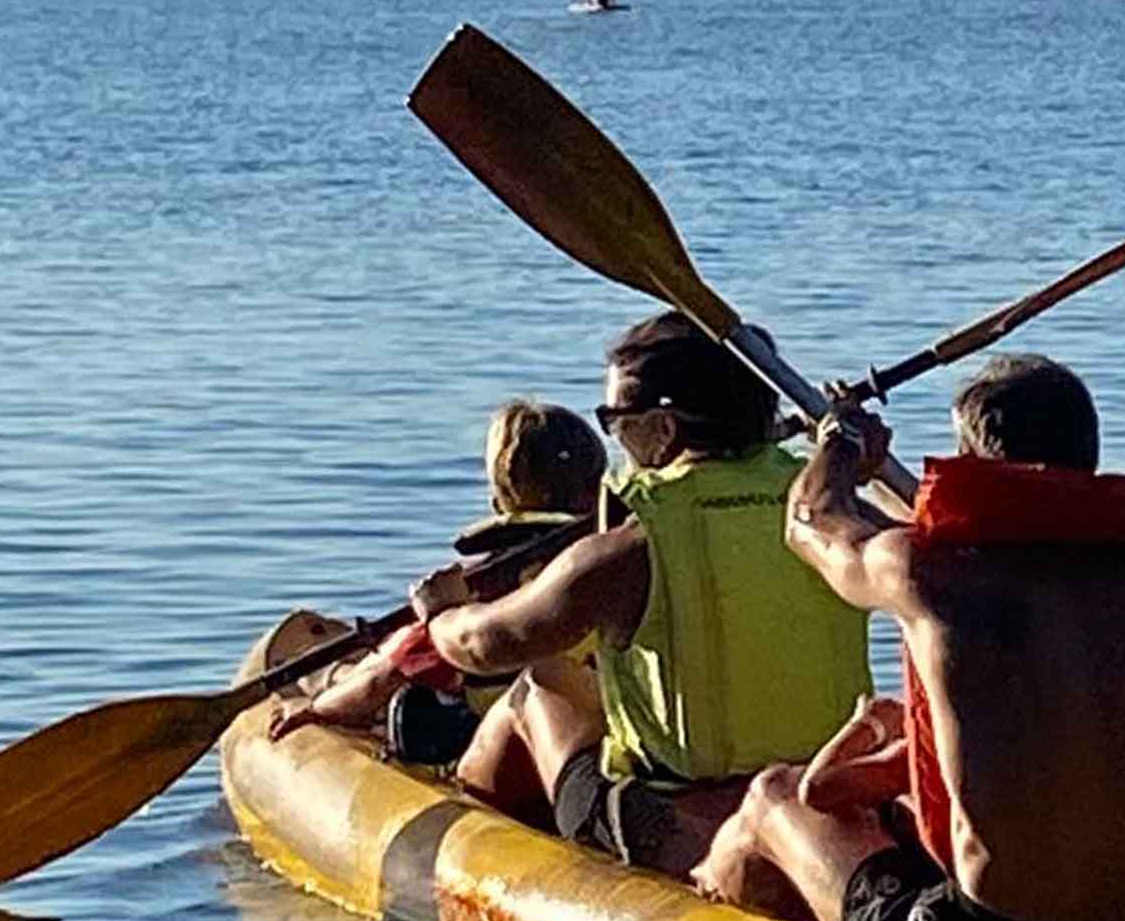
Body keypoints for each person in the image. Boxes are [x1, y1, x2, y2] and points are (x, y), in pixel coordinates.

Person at [690, 354, 1125, 921]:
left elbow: (811, 522)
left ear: (969, 466)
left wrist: (841, 441)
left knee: (773, 798)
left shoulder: (929, 577)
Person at [410, 311, 870, 875]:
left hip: (674, 824)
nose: (615, 436)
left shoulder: (633, 545)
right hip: (815, 795)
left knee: (541, 686)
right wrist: (855, 460)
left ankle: (466, 852)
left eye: (615, 419)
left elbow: (485, 646)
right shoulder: (834, 518)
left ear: (664, 429)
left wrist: (442, 614)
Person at [271, 399, 605, 765]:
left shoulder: (485, 588)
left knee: (409, 667)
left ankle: (332, 681)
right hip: (591, 729)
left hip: (502, 746)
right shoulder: (616, 561)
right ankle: (340, 674)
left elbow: (385, 677)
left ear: (499, 500)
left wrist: (317, 710)